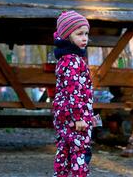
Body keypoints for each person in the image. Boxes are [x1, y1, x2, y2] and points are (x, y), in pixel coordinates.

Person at [52, 10, 94, 177]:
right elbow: (73, 90)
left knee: (65, 147)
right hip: (75, 116)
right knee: (80, 151)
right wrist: (79, 117)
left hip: (65, 113)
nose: (84, 38)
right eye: (79, 34)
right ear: (67, 36)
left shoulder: (66, 58)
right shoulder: (72, 60)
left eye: (86, 34)